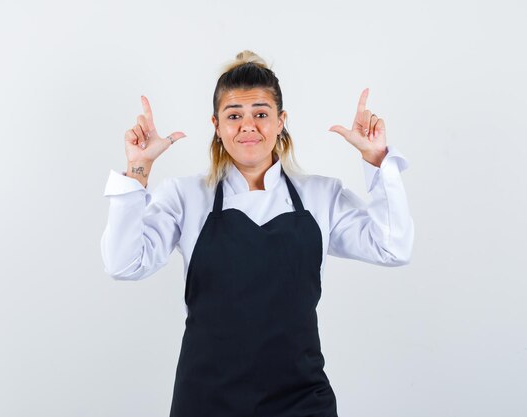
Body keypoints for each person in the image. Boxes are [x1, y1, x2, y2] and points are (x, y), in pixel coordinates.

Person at [100, 50, 414, 417]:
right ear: (216, 125)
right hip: (206, 401)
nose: (248, 126)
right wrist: (138, 168)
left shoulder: (321, 195)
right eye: (234, 116)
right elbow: (123, 263)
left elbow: (392, 248)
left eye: (261, 114)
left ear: (281, 122)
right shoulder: (184, 197)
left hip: (301, 401)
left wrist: (377, 162)